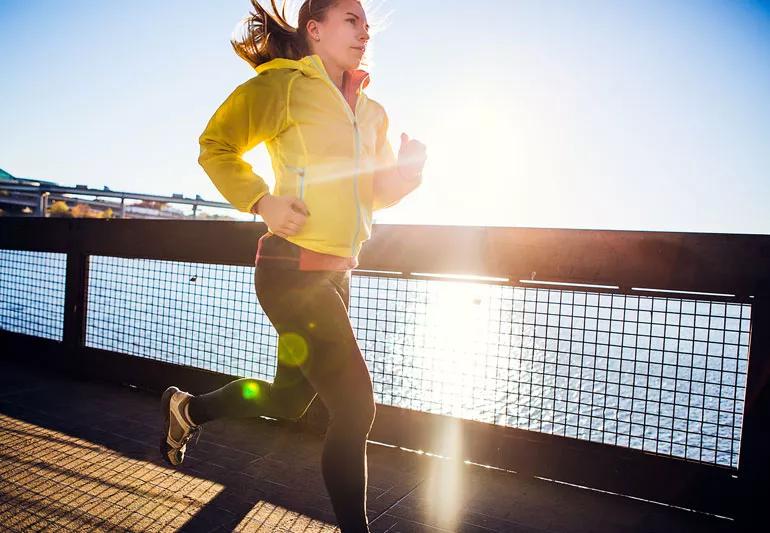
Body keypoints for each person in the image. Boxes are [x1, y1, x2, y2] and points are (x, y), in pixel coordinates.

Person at [159, 1, 427, 531]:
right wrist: (263, 201)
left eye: (366, 24)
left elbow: (369, 194)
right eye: (350, 20)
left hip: (334, 273)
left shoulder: (372, 112)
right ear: (316, 30)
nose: (363, 31)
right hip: (288, 269)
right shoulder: (283, 85)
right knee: (355, 407)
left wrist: (406, 177)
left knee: (288, 400)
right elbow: (215, 146)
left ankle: (188, 411)